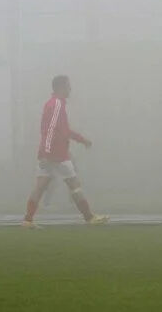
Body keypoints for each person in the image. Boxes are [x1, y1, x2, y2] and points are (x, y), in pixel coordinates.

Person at [22, 75, 108, 228]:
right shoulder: (56, 104)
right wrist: (47, 153)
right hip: (57, 154)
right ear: (61, 87)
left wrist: (81, 140)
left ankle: (27, 220)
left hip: (50, 153)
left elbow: (64, 130)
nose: (70, 89)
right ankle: (89, 217)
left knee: (40, 186)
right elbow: (50, 130)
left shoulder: (55, 104)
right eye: (68, 86)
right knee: (74, 184)